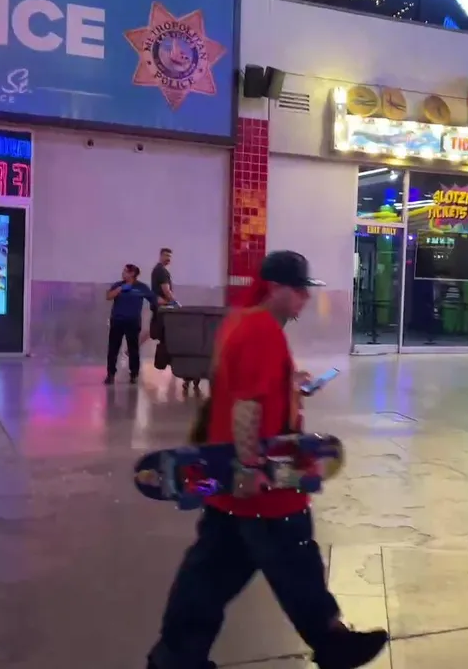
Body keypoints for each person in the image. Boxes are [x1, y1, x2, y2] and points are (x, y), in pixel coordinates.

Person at [147, 251, 388, 669]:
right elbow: (246, 406)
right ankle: (332, 642)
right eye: (298, 290)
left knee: (207, 577)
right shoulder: (262, 330)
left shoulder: (241, 322)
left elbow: (243, 386)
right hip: (262, 483)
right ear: (275, 287)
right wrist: (251, 467)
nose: (305, 298)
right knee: (295, 562)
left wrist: (289, 386)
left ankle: (175, 659)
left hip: (231, 482)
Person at [105, 263, 155, 385]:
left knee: (133, 349)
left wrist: (167, 302)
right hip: (117, 321)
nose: (123, 273)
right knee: (113, 349)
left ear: (132, 273)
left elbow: (153, 299)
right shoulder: (118, 285)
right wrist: (119, 289)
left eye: (125, 271)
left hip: (133, 322)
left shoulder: (141, 287)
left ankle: (134, 374)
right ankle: (110, 374)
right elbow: (108, 296)